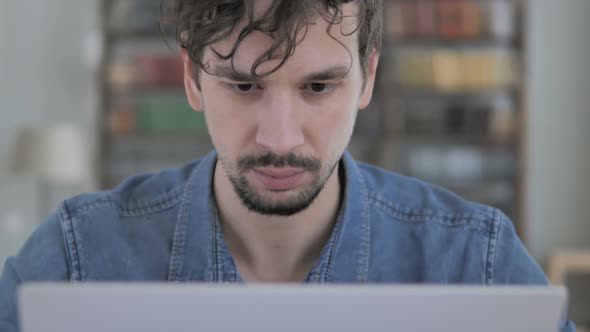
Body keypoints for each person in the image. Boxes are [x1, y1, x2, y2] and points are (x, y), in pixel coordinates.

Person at [0, 0, 575, 331]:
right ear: (191, 78)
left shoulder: (477, 262)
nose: (280, 137)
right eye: (244, 85)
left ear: (368, 77)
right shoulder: (73, 259)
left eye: (319, 86)